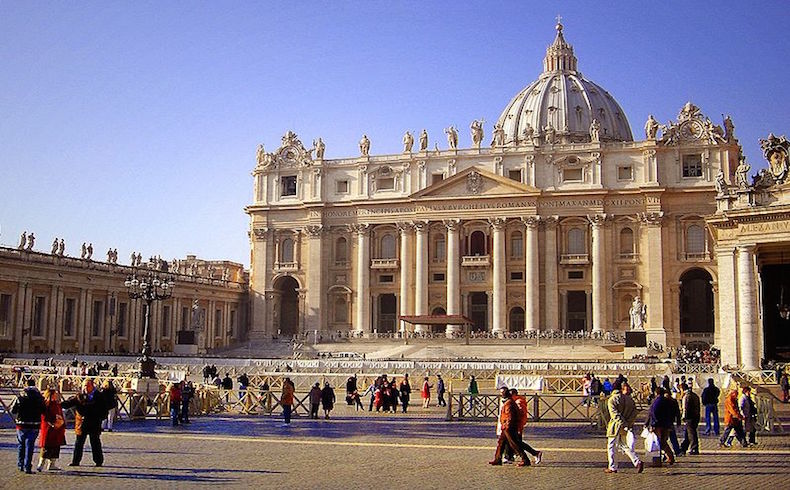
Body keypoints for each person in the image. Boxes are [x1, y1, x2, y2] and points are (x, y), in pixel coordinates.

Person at [62, 379, 106, 467]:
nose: (86, 387)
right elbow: (69, 403)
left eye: (87, 385)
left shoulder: (99, 396)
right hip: (82, 423)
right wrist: (57, 403)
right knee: (79, 443)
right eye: (84, 385)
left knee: (95, 442)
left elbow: (104, 408)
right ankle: (75, 461)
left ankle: (98, 461)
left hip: (94, 422)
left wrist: (101, 418)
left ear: (92, 386)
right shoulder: (80, 395)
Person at [606, 380, 643, 473]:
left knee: (611, 446)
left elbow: (614, 415)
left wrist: (622, 423)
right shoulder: (629, 399)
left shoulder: (612, 399)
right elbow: (634, 412)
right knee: (623, 445)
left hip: (615, 426)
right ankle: (637, 461)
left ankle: (612, 467)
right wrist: (628, 423)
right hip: (625, 426)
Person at [489, 386, 529, 467]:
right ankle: (498, 459)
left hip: (508, 427)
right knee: (501, 443)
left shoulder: (509, 403)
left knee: (514, 444)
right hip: (506, 426)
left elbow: (509, 416)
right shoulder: (508, 401)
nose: (501, 394)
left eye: (502, 393)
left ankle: (525, 459)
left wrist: (506, 426)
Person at [11, 379, 45, 473]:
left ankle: (20, 465)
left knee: (21, 445)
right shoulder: (39, 397)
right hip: (34, 424)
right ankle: (28, 466)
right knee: (30, 446)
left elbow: (13, 410)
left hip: (21, 424)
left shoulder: (20, 396)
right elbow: (44, 410)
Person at [504, 388, 542, 465]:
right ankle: (510, 456)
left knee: (517, 443)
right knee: (512, 442)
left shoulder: (518, 402)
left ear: (514, 394)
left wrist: (518, 426)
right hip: (512, 425)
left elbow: (519, 415)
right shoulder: (514, 401)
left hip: (515, 426)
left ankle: (533, 453)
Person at [37, 388, 66, 472]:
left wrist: (61, 422)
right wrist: (53, 422)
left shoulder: (57, 404)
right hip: (48, 428)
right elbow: (45, 416)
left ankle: (52, 464)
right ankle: (41, 464)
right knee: (46, 446)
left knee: (56, 447)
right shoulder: (46, 405)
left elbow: (60, 414)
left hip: (58, 429)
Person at [645, 387, 676, 465]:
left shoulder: (657, 401)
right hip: (666, 424)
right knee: (663, 442)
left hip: (658, 425)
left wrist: (652, 424)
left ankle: (657, 461)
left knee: (656, 442)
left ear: (656, 393)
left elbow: (653, 413)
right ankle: (670, 456)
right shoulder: (668, 401)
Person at [678, 382, 701, 455]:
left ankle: (694, 448)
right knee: (688, 433)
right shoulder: (694, 395)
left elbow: (685, 408)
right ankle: (683, 448)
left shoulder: (687, 396)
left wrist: (683, 417)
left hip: (689, 417)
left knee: (691, 433)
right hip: (696, 416)